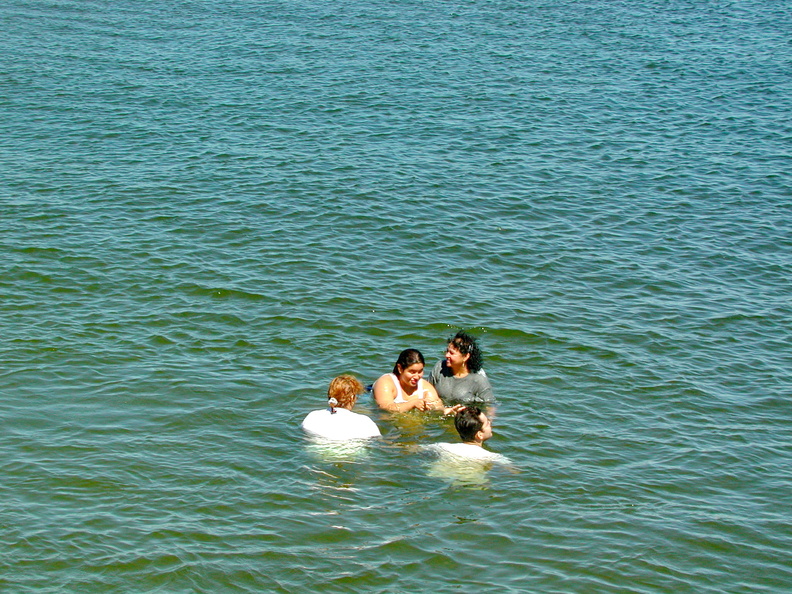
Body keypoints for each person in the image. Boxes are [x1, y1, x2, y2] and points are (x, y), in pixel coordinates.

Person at [301, 375, 381, 440]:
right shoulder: (365, 422)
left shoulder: (312, 416)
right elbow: (377, 440)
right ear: (352, 398)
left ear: (329, 395)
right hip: (351, 457)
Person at [373, 348, 450, 413]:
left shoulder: (425, 387)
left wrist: (444, 410)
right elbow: (384, 407)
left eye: (420, 372)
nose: (417, 377)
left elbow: (437, 404)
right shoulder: (386, 382)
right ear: (400, 369)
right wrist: (412, 404)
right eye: (412, 372)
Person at [429, 331, 494, 406]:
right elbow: (426, 389)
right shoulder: (439, 367)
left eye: (452, 353)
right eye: (447, 351)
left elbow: (490, 406)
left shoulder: (478, 379)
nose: (447, 355)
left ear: (466, 356)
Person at [432, 406, 508, 463]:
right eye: (487, 423)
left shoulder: (442, 447)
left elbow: (420, 448)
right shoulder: (491, 457)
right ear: (480, 435)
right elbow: (515, 472)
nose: (490, 423)